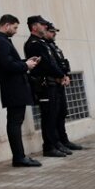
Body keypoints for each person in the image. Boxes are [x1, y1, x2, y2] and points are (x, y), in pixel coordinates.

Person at [0, 14, 42, 167]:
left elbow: (11, 62)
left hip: (15, 88)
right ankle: (19, 157)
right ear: (6, 25)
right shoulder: (0, 42)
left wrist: (26, 61)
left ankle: (20, 156)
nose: (16, 31)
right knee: (14, 123)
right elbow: (7, 65)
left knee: (16, 122)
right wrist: (26, 66)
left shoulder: (3, 41)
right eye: (15, 27)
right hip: (12, 88)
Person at [25, 15, 71, 158]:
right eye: (42, 24)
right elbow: (46, 64)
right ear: (34, 27)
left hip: (52, 83)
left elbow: (55, 62)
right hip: (45, 84)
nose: (45, 27)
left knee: (55, 114)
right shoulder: (33, 43)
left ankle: (56, 143)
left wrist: (63, 74)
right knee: (49, 117)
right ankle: (49, 147)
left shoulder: (42, 43)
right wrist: (61, 75)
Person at [47, 26, 84, 151]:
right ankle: (57, 142)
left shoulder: (53, 46)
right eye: (51, 32)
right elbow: (50, 65)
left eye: (54, 32)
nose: (54, 34)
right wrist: (60, 76)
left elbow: (62, 63)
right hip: (53, 83)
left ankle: (64, 140)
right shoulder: (43, 46)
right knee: (54, 114)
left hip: (60, 82)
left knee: (62, 113)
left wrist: (65, 75)